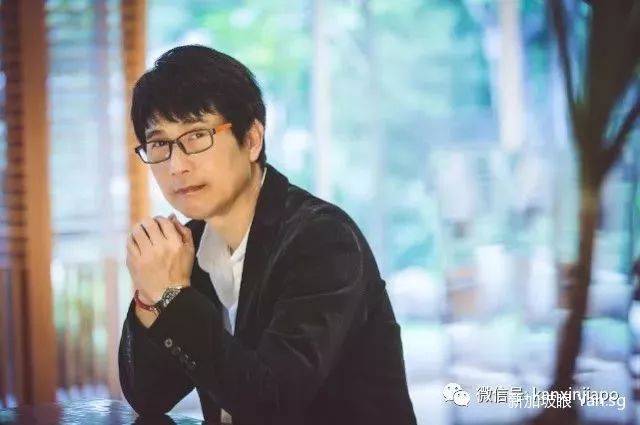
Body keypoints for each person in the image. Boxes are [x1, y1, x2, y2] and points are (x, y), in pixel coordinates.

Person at [118, 44, 417, 425]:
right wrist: (151, 295)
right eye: (160, 144)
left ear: (252, 140)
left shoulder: (323, 240)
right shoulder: (187, 246)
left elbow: (271, 403)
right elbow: (149, 397)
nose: (176, 165)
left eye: (196, 136)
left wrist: (173, 296)